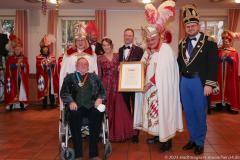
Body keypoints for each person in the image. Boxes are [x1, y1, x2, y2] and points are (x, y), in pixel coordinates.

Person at [134, 1, 183, 152]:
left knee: (163, 112)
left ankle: (167, 140)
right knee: (153, 113)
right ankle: (156, 134)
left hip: (161, 89)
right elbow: (141, 66)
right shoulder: (149, 51)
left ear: (160, 37)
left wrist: (150, 83)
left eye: (152, 39)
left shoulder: (166, 50)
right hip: (149, 89)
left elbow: (164, 71)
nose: (150, 42)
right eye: (148, 40)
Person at [178, 4, 218, 155]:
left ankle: (200, 141)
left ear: (198, 25)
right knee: (188, 112)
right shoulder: (181, 43)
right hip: (185, 82)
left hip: (199, 82)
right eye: (187, 25)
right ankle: (193, 139)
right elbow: (178, 63)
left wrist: (209, 84)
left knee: (199, 112)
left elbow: (213, 65)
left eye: (192, 25)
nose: (190, 28)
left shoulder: (209, 42)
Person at [60, 57, 105, 160]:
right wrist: (70, 101)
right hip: (76, 106)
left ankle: (94, 154)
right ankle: (78, 155)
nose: (83, 66)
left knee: (97, 114)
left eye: (85, 64)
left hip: (91, 105)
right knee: (74, 116)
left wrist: (99, 99)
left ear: (88, 66)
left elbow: (102, 92)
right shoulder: (69, 77)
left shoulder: (94, 77)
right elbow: (64, 92)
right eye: (81, 64)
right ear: (76, 66)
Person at [97, 38, 134, 141]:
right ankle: (105, 132)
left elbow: (125, 68)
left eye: (107, 45)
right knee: (106, 109)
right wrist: (99, 89)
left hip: (117, 84)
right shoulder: (99, 58)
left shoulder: (118, 55)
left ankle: (119, 132)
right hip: (105, 85)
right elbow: (100, 74)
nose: (106, 47)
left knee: (118, 108)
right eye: (104, 45)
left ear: (111, 45)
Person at [118, 28, 144, 143]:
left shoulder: (139, 50)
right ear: (123, 37)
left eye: (129, 36)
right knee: (126, 108)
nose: (127, 37)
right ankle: (128, 130)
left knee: (136, 108)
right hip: (124, 84)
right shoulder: (120, 50)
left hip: (135, 84)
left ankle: (136, 134)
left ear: (132, 37)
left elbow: (143, 66)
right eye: (126, 35)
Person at [211, 30, 239, 114]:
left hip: (229, 76)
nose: (225, 40)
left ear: (231, 40)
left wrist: (230, 60)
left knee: (230, 88)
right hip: (219, 75)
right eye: (224, 38)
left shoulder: (234, 52)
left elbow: (235, 63)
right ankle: (218, 104)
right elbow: (214, 61)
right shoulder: (219, 50)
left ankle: (230, 105)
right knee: (218, 88)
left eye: (227, 38)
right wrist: (220, 59)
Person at [4, 34, 29, 111]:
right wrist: (15, 65)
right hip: (12, 78)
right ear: (14, 50)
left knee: (21, 90)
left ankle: (22, 105)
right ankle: (11, 105)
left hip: (21, 78)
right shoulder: (10, 58)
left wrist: (22, 65)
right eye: (16, 49)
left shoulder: (24, 58)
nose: (17, 50)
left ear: (21, 49)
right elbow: (8, 68)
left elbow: (27, 67)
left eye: (19, 49)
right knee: (13, 90)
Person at [36, 34, 58, 108]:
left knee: (51, 89)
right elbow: (38, 66)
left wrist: (52, 64)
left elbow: (55, 65)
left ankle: (52, 103)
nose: (45, 50)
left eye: (46, 49)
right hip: (43, 76)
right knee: (44, 89)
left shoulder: (52, 56)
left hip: (51, 76)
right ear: (42, 49)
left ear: (48, 49)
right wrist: (44, 64)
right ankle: (44, 104)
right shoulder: (38, 57)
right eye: (44, 49)